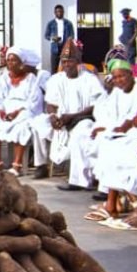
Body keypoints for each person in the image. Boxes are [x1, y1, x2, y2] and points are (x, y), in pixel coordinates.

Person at [61, 58, 137, 192]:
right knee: (80, 134)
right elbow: (105, 110)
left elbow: (135, 117)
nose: (118, 80)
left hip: (135, 130)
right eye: (115, 77)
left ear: (130, 74)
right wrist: (102, 125)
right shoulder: (117, 89)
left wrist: (111, 129)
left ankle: (106, 189)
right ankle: (79, 180)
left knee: (107, 142)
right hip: (115, 127)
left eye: (122, 76)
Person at [31, 46, 105, 180]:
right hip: (60, 119)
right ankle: (41, 165)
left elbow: (96, 105)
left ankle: (78, 179)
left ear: (78, 62)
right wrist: (53, 116)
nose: (66, 65)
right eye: (64, 61)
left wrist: (73, 117)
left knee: (81, 132)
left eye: (70, 61)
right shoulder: (56, 79)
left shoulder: (90, 79)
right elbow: (50, 103)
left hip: (83, 118)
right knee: (37, 124)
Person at [0, 48, 44, 174]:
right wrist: (2, 112)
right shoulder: (2, 79)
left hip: (24, 110)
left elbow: (34, 101)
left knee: (22, 128)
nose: (10, 63)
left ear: (21, 63)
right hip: (6, 110)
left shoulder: (31, 79)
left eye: (14, 60)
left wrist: (17, 112)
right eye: (8, 60)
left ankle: (17, 165)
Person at [44, 4, 75, 72]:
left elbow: (72, 35)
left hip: (65, 48)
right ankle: (53, 81)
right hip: (55, 48)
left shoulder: (68, 23)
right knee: (54, 68)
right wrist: (53, 38)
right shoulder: (51, 23)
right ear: (55, 13)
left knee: (66, 67)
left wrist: (69, 41)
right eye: (57, 12)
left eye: (61, 11)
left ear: (63, 12)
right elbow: (46, 35)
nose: (59, 13)